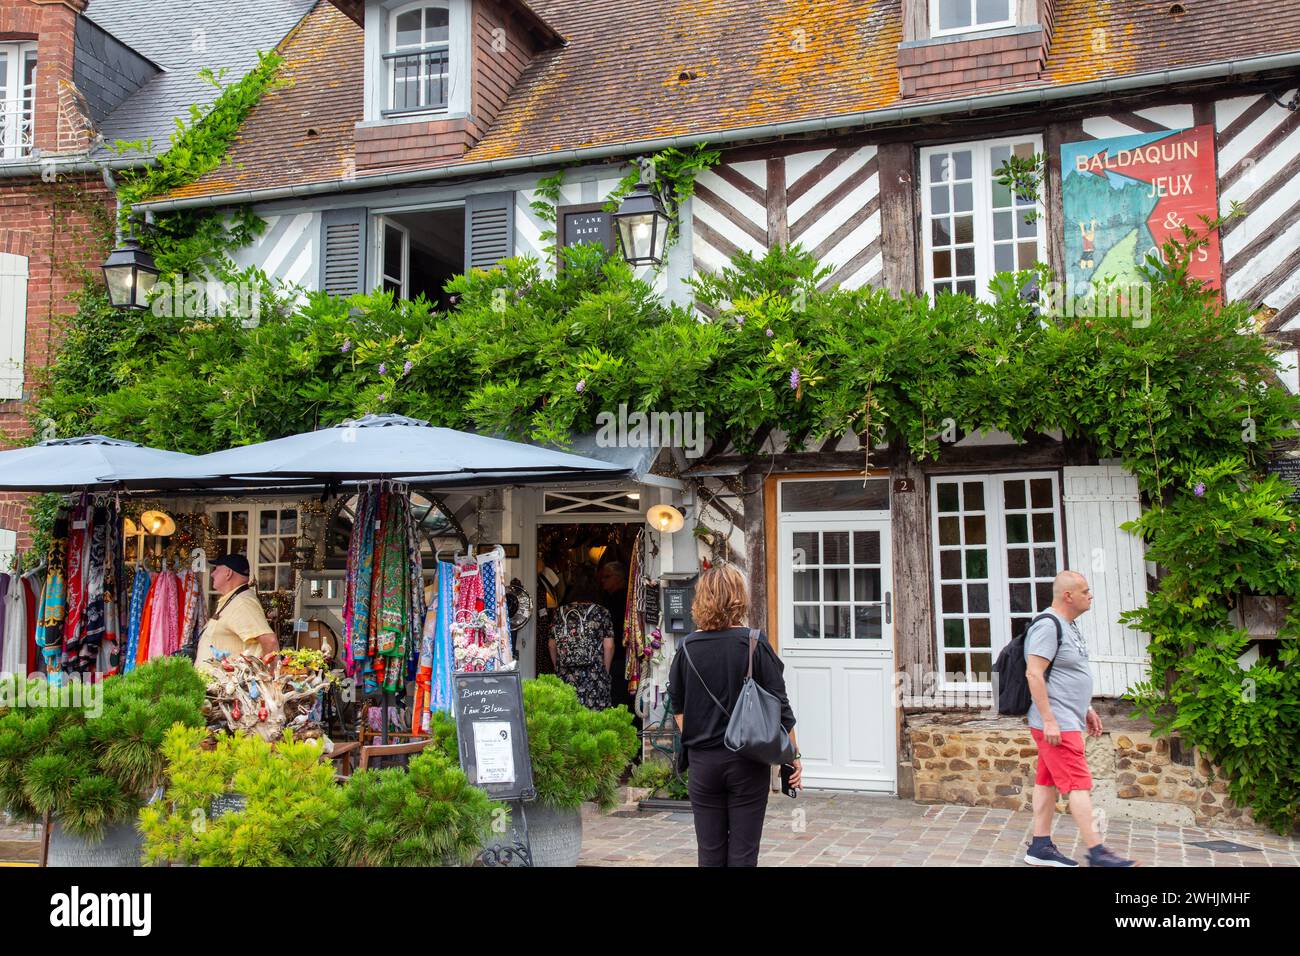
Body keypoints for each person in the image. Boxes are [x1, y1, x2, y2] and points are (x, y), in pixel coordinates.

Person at [668, 564, 800, 867]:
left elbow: (678, 711)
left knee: (710, 854)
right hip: (747, 760)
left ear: (701, 598)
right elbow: (781, 708)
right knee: (743, 854)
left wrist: (703, 736)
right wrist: (793, 756)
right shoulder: (754, 642)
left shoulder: (686, 648)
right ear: (738, 597)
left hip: (703, 764)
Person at [1024, 569, 1137, 867]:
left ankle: (1039, 845)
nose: (1091, 596)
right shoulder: (1048, 626)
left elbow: (1069, 673)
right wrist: (1049, 720)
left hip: (1068, 718)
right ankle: (1098, 853)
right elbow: (1033, 673)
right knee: (1078, 784)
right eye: (1085, 591)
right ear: (1068, 596)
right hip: (1057, 723)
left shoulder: (1068, 625)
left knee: (1046, 781)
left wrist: (1086, 707)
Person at [192, 555, 278, 676]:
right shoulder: (234, 599)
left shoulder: (243, 602)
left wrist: (269, 677)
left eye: (216, 569)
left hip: (228, 690)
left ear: (228, 573)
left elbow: (270, 640)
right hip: (214, 688)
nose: (212, 574)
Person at [548, 578, 615, 710]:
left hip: (565, 675)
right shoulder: (601, 612)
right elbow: (609, 646)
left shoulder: (559, 613)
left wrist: (559, 667)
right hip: (595, 676)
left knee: (567, 715)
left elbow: (551, 645)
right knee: (595, 719)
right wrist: (604, 671)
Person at [598, 560, 632, 709]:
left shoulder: (619, 600)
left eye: (607, 577)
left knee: (617, 697)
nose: (602, 581)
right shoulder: (610, 598)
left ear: (618, 577)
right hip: (618, 655)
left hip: (618, 655)